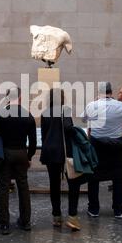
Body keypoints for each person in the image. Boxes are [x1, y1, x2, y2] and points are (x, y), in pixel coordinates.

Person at [0, 87, 37, 235]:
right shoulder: (28, 116)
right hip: (21, 153)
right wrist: (29, 157)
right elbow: (33, 141)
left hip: (5, 154)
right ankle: (25, 222)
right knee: (23, 187)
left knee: (4, 188)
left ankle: (4, 224)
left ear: (7, 98)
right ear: (20, 98)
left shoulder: (0, 115)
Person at [81, 82, 122, 218]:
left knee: (93, 179)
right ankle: (118, 210)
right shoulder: (121, 106)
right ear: (111, 92)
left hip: (96, 146)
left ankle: (94, 209)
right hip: (115, 146)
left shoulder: (92, 105)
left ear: (98, 92)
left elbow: (83, 119)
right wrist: (117, 130)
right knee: (117, 178)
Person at [40, 88, 88, 231]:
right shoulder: (64, 111)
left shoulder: (45, 113)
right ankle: (72, 216)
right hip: (65, 152)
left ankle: (56, 216)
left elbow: (43, 135)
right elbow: (68, 128)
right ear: (61, 98)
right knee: (73, 182)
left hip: (50, 152)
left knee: (54, 184)